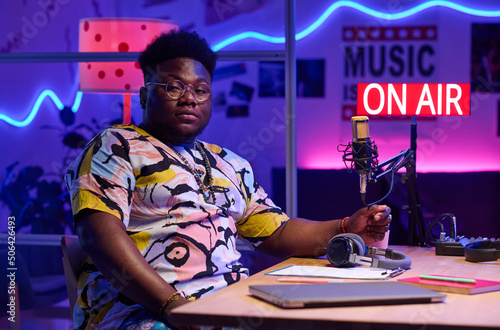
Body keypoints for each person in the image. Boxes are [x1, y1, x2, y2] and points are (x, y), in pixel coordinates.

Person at [65, 30, 391, 330]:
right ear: (144, 96)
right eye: (173, 86)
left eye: (201, 90)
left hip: (227, 305)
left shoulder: (230, 163)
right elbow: (99, 237)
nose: (189, 98)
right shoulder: (115, 146)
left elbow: (278, 233)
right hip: (142, 312)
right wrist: (172, 305)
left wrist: (347, 226)